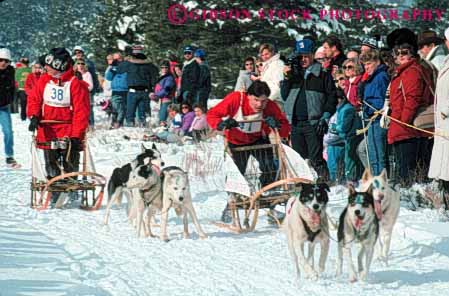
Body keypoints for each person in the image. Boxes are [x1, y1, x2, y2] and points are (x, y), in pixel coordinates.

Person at [207, 80, 290, 222]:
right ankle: (231, 204)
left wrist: (276, 124)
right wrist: (222, 124)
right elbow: (212, 115)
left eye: (263, 101)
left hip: (258, 140)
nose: (259, 105)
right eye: (256, 100)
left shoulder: (270, 106)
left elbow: (285, 129)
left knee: (269, 167)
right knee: (236, 174)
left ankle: (271, 202)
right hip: (236, 143)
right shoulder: (236, 99)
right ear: (248, 96)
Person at [27, 48, 90, 192]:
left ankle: (71, 186)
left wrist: (76, 135)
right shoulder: (44, 80)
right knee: (51, 160)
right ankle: (53, 186)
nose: (45, 67)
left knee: (70, 160)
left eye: (49, 66)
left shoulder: (75, 83)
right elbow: (34, 99)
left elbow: (81, 111)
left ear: (58, 66)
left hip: (69, 129)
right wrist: (34, 116)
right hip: (47, 128)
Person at [281, 38, 337, 178]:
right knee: (299, 159)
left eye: (307, 56)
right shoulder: (293, 74)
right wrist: (286, 78)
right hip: (295, 123)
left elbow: (332, 97)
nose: (303, 59)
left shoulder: (322, 74)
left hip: (314, 123)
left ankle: (325, 184)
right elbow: (284, 96)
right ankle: (304, 186)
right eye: (301, 56)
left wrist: (325, 116)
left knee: (316, 157)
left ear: (312, 55)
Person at [386, 28, 433, 186]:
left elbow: (412, 99)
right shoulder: (404, 71)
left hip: (407, 128)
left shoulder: (411, 72)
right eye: (396, 52)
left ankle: (413, 204)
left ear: (412, 52)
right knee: (412, 170)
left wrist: (402, 121)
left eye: (404, 52)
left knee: (407, 172)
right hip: (406, 128)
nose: (400, 56)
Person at [359, 49, 390, 176]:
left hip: (378, 119)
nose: (366, 67)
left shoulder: (381, 76)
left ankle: (381, 180)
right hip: (371, 120)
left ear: (377, 62)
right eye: (365, 64)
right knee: (372, 154)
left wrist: (369, 108)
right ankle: (376, 178)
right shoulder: (370, 79)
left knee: (378, 154)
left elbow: (383, 99)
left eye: (369, 63)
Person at [428, 27, 449, 210]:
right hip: (443, 121)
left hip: (447, 117)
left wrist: (446, 109)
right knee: (444, 166)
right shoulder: (447, 61)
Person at [114, 45, 155, 127]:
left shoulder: (128, 62)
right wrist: (152, 89)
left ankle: (131, 128)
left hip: (132, 92)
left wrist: (120, 61)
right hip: (145, 91)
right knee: (143, 114)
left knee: (130, 114)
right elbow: (154, 76)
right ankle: (144, 128)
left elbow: (118, 70)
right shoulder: (149, 63)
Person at [330, 89, 363, 183]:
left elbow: (344, 126)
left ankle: (351, 179)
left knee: (350, 159)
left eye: (337, 99)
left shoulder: (347, 109)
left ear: (342, 98)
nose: (335, 102)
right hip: (348, 137)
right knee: (348, 159)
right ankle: (350, 178)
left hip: (353, 137)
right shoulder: (341, 109)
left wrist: (334, 127)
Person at [0, 48, 19, 167]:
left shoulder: (10, 71)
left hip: (3, 107)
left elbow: (12, 87)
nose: (3, 63)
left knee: (8, 132)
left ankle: (9, 156)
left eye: (6, 61)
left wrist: (11, 100)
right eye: (0, 60)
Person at [251, 44, 284, 110]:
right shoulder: (268, 65)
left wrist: (267, 100)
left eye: (266, 54)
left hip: (275, 101)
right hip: (267, 100)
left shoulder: (277, 64)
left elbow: (278, 85)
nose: (264, 57)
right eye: (262, 55)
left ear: (272, 52)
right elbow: (268, 81)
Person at [105, 52, 128, 128]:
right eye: (115, 59)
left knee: (123, 108)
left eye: (119, 58)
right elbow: (108, 78)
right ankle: (115, 123)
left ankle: (118, 124)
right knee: (116, 109)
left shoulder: (126, 66)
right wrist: (112, 67)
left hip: (125, 90)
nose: (117, 60)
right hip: (115, 91)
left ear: (122, 58)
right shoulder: (112, 67)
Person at [150, 60, 175, 125]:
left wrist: (157, 95)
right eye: (162, 67)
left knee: (162, 118)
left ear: (168, 68)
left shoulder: (169, 78)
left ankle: (163, 130)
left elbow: (167, 89)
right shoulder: (160, 76)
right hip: (159, 100)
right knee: (157, 118)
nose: (164, 69)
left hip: (166, 100)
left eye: (166, 67)